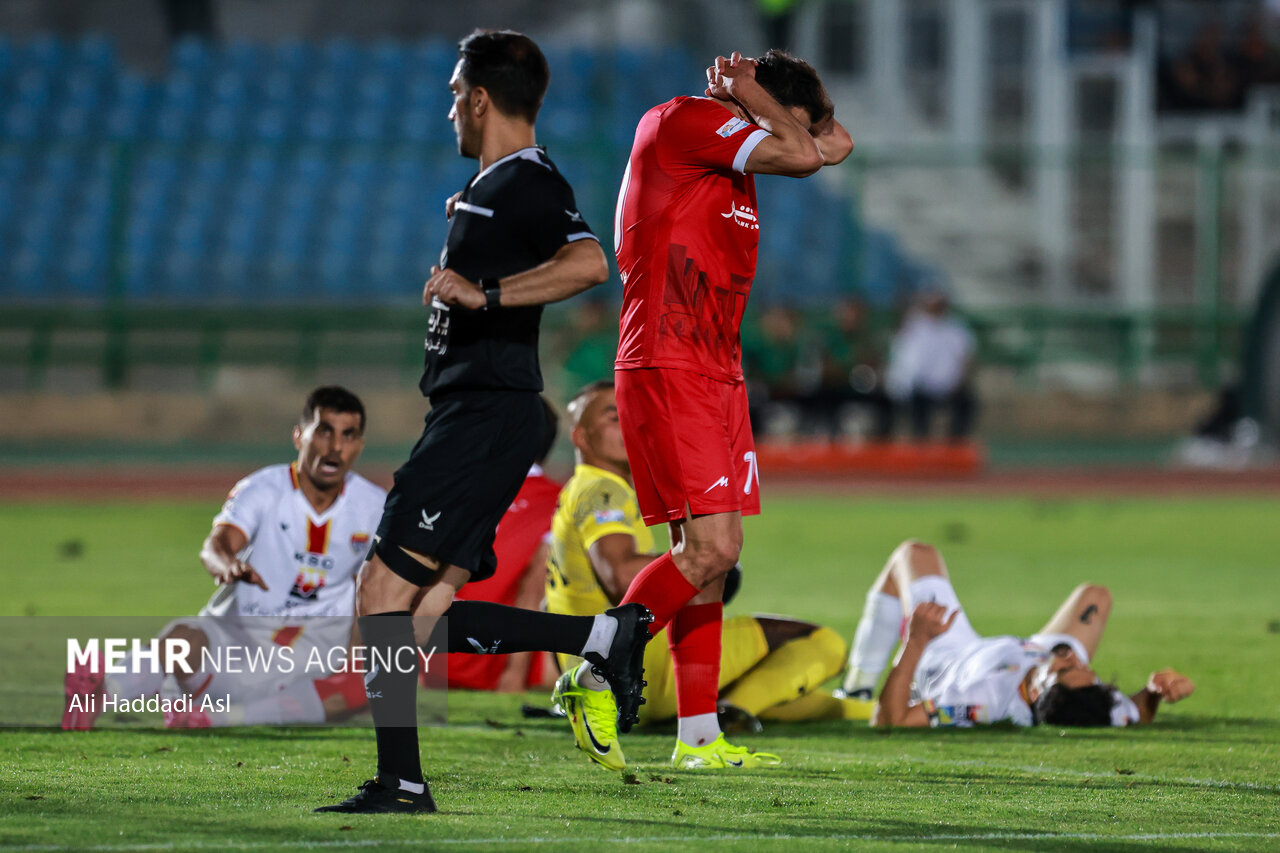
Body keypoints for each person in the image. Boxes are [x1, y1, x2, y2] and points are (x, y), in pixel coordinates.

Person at [318, 30, 652, 815]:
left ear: (477, 98)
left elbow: (589, 262)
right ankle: (598, 640)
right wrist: (474, 240)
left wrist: (486, 293)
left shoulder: (524, 182)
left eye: (452, 97)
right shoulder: (493, 186)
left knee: (381, 597)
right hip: (479, 415)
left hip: (481, 415)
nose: (448, 112)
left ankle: (401, 783)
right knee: (419, 617)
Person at [601, 48, 853, 768]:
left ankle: (699, 736)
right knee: (714, 550)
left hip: (714, 371)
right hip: (669, 359)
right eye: (778, 119)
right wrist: (751, 95)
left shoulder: (738, 154)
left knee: (705, 564)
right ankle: (590, 667)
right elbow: (808, 155)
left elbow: (833, 143)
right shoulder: (683, 122)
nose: (790, 138)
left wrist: (776, 97)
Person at [547, 381, 871, 770]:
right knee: (820, 643)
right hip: (638, 669)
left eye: (627, 416)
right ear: (581, 437)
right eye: (612, 417)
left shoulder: (583, 490)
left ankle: (865, 710)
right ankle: (722, 717)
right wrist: (693, 563)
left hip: (616, 674)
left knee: (782, 688)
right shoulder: (601, 491)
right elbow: (618, 574)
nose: (627, 425)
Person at [62, 386, 382, 729]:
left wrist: (359, 658)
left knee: (365, 686)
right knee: (183, 638)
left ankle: (207, 718)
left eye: (348, 435)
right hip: (235, 643)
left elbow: (376, 590)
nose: (335, 447)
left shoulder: (375, 505)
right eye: (324, 431)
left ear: (360, 445)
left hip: (309, 661)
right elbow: (216, 545)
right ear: (298, 436)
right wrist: (226, 564)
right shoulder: (263, 489)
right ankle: (101, 693)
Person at [840, 540, 1195, 728]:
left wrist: (916, 642)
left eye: (1066, 667)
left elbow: (890, 721)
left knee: (914, 554)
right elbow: (1133, 713)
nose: (1072, 657)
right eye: (1086, 669)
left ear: (1039, 692)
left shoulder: (983, 701)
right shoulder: (1095, 703)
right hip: (1023, 655)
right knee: (1096, 596)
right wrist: (1155, 693)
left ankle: (858, 685)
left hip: (948, 655)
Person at [444, 398, 561, 693]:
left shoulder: (454, 489)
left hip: (429, 655)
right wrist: (513, 676)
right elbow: (533, 591)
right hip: (497, 661)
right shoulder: (561, 500)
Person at [883, 290, 977, 442]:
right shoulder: (914, 327)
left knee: (968, 401)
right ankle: (920, 442)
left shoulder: (957, 329)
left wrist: (959, 381)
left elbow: (967, 359)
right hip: (920, 388)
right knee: (914, 405)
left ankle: (955, 443)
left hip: (949, 388)